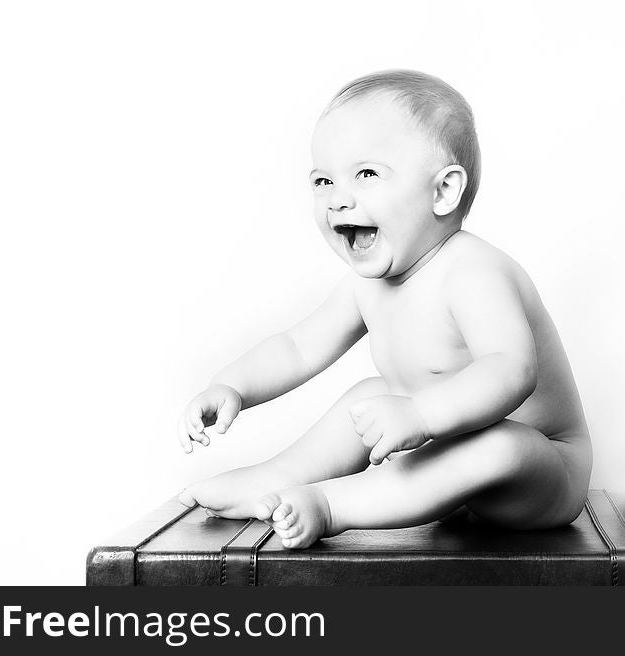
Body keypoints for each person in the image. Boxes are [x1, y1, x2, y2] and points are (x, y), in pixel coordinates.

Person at [176, 70, 592, 549]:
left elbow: (512, 370)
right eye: (323, 180)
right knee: (368, 395)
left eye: (366, 174)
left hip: (540, 472)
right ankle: (277, 477)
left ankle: (335, 505)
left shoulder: (473, 272)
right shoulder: (364, 285)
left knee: (501, 443)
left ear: (442, 192)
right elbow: (297, 347)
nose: (337, 199)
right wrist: (231, 386)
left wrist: (420, 413)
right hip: (447, 460)